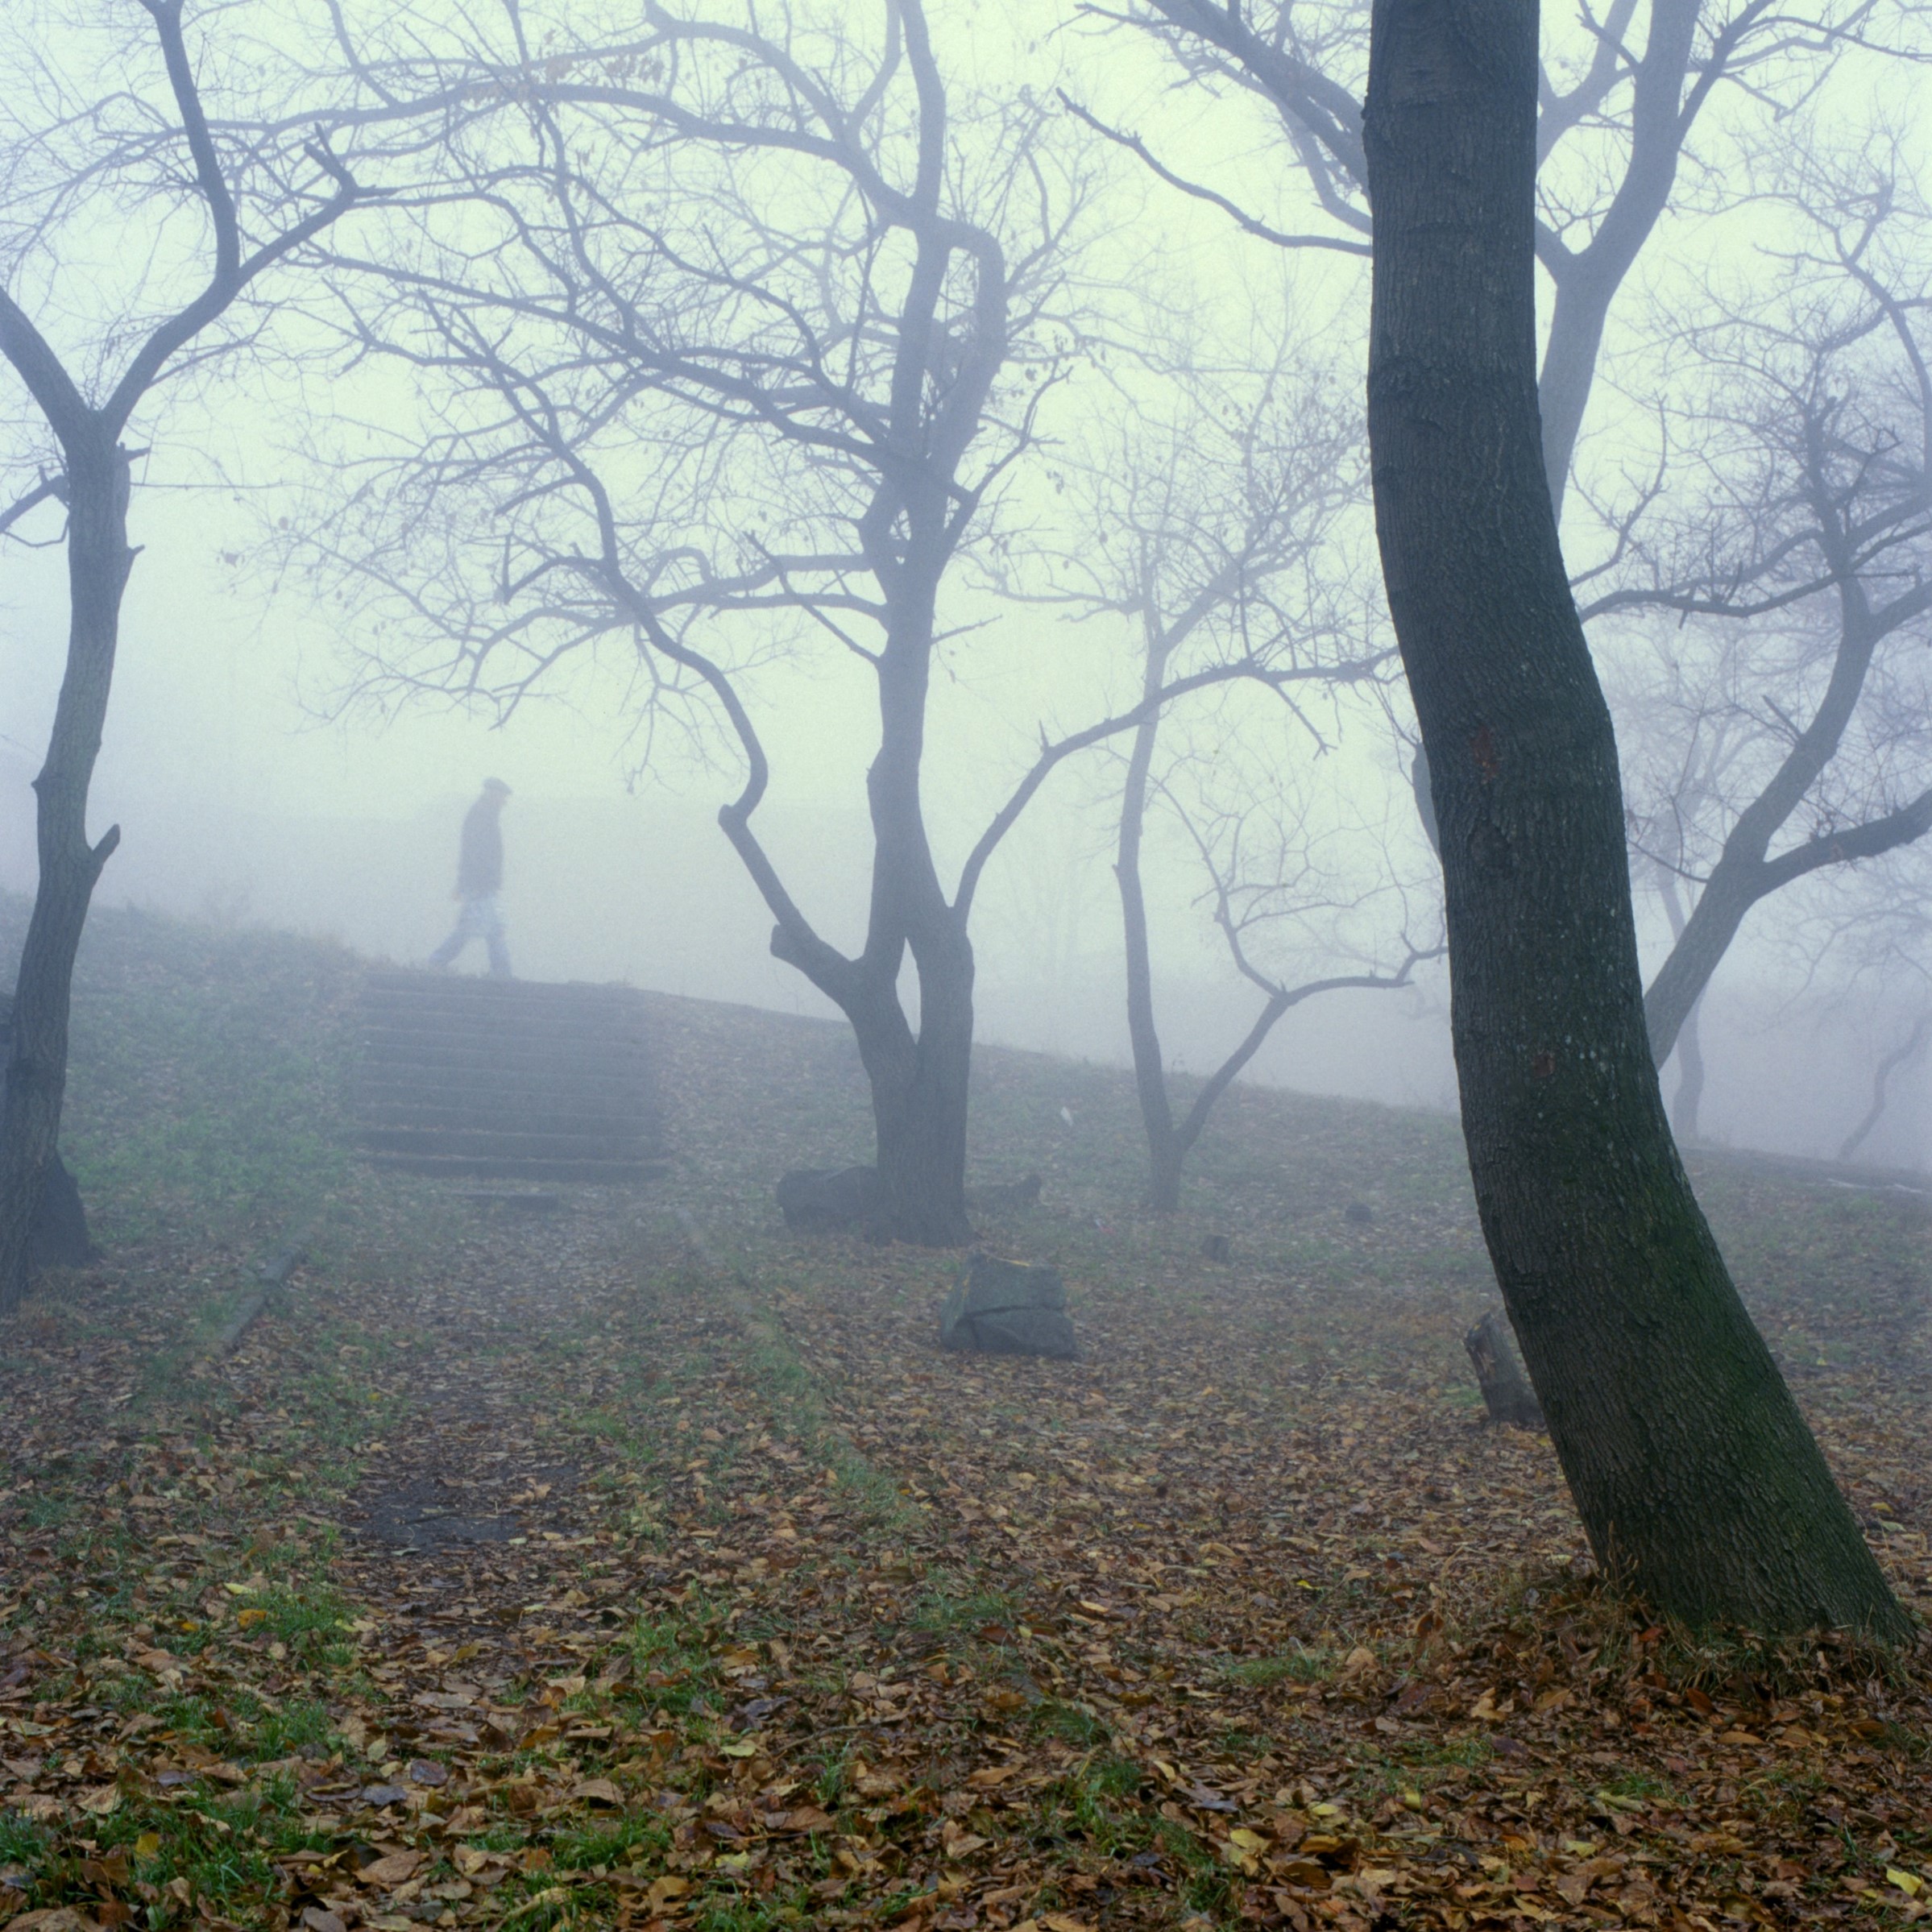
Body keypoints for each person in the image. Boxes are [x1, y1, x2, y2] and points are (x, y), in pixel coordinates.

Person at [429, 778, 513, 977]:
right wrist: (476, 881)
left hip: (482, 883)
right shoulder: (481, 816)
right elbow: (474, 852)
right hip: (480, 884)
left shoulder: (485, 815)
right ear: (492, 794)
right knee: (475, 928)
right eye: (502, 796)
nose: (504, 802)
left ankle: (502, 972)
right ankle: (437, 961)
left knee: (490, 928)